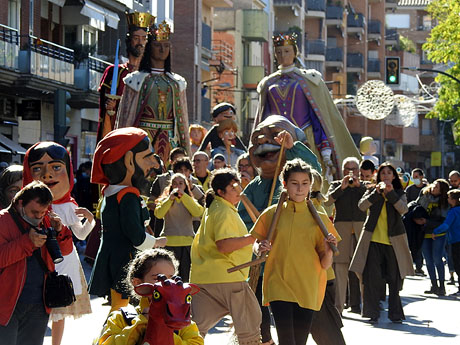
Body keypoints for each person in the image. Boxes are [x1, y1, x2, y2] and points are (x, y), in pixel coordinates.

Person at [251, 159, 337, 344]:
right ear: (285, 184)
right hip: (278, 283)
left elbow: (325, 263)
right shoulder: (272, 213)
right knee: (287, 341)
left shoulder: (320, 220)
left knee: (299, 341)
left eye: (305, 184)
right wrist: (260, 248)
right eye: (294, 183)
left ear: (310, 186)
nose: (300, 188)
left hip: (307, 286)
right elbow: (256, 245)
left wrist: (329, 252)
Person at [255, 33, 360, 185]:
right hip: (277, 141)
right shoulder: (268, 83)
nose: (283, 55)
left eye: (287, 51)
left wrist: (324, 148)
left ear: (295, 52)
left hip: (306, 138)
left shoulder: (309, 80)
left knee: (310, 178)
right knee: (277, 180)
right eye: (279, 52)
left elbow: (319, 117)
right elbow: (264, 117)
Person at [23, 142, 95, 345]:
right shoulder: (25, 206)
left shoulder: (68, 205)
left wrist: (90, 220)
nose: (47, 175)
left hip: (65, 262)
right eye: (37, 168)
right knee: (37, 307)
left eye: (56, 167)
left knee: (59, 308)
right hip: (37, 261)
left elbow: (80, 235)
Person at [88, 127, 167, 312]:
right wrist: (156, 242)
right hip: (124, 262)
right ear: (129, 161)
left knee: (122, 308)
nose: (154, 165)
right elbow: (136, 236)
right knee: (121, 310)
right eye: (147, 157)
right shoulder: (127, 197)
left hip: (116, 258)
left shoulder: (112, 194)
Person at [190, 169, 261, 344]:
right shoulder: (223, 210)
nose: (238, 191)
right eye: (232, 188)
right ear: (221, 192)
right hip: (227, 277)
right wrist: (253, 237)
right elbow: (224, 245)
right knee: (249, 332)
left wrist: (255, 244)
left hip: (205, 278)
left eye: (238, 186)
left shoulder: (216, 207)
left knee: (194, 331)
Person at [0, 181, 72, 345]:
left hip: (39, 304)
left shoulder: (46, 220)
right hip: (7, 305)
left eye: (43, 212)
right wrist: (27, 242)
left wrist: (60, 232)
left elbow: (66, 251)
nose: (39, 216)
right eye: (34, 212)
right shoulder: (2, 221)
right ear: (20, 203)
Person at [116, 20, 191, 163]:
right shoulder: (136, 80)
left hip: (170, 140)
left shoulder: (177, 83)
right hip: (143, 139)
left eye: (166, 46)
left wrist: (186, 152)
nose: (162, 50)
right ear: (150, 48)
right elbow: (125, 118)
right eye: (157, 45)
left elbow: (183, 121)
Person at [97, 248, 204, 345]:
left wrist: (163, 328)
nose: (166, 284)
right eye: (158, 278)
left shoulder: (183, 324)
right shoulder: (120, 319)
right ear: (138, 283)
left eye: (170, 278)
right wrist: (140, 323)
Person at [350, 162, 413, 324]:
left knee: (394, 279)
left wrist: (391, 194)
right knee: (371, 278)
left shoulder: (399, 192)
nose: (385, 176)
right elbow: (361, 206)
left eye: (389, 173)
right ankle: (372, 313)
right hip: (372, 240)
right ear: (378, 176)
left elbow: (403, 209)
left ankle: (396, 314)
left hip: (393, 242)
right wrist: (377, 194)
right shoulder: (372, 190)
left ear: (393, 176)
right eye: (383, 173)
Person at [97, 11, 155, 141]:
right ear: (129, 41)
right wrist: (110, 108)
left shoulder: (152, 76)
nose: (140, 42)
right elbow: (105, 108)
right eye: (136, 38)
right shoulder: (114, 72)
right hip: (120, 132)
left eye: (144, 39)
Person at [325, 157, 367, 314]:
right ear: (343, 171)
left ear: (359, 171)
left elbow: (370, 201)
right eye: (348, 169)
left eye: (354, 169)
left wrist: (359, 187)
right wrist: (341, 188)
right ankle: (338, 308)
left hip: (360, 229)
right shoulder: (336, 185)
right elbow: (327, 202)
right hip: (341, 230)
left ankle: (366, 306)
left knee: (361, 269)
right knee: (340, 269)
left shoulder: (364, 186)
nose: (351, 172)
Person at [154, 173, 204, 282]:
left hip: (187, 244)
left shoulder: (190, 200)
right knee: (168, 277)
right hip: (169, 244)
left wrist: (184, 196)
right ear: (171, 186)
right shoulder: (165, 201)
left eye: (181, 183)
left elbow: (198, 212)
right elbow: (159, 214)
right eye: (175, 183)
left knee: (185, 277)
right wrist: (170, 199)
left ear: (185, 185)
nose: (178, 186)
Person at [416, 179, 450, 295]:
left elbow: (444, 220)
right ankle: (433, 285)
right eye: (434, 185)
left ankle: (441, 286)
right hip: (425, 232)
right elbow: (416, 207)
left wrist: (427, 222)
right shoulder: (424, 195)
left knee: (437, 259)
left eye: (437, 187)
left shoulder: (445, 202)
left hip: (438, 233)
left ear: (442, 191)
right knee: (428, 261)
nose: (433, 188)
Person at [433, 189, 460, 295]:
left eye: (449, 198)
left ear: (453, 200)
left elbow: (446, 225)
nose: (448, 200)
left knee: (457, 264)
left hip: (456, 240)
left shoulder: (453, 211)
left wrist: (436, 231)